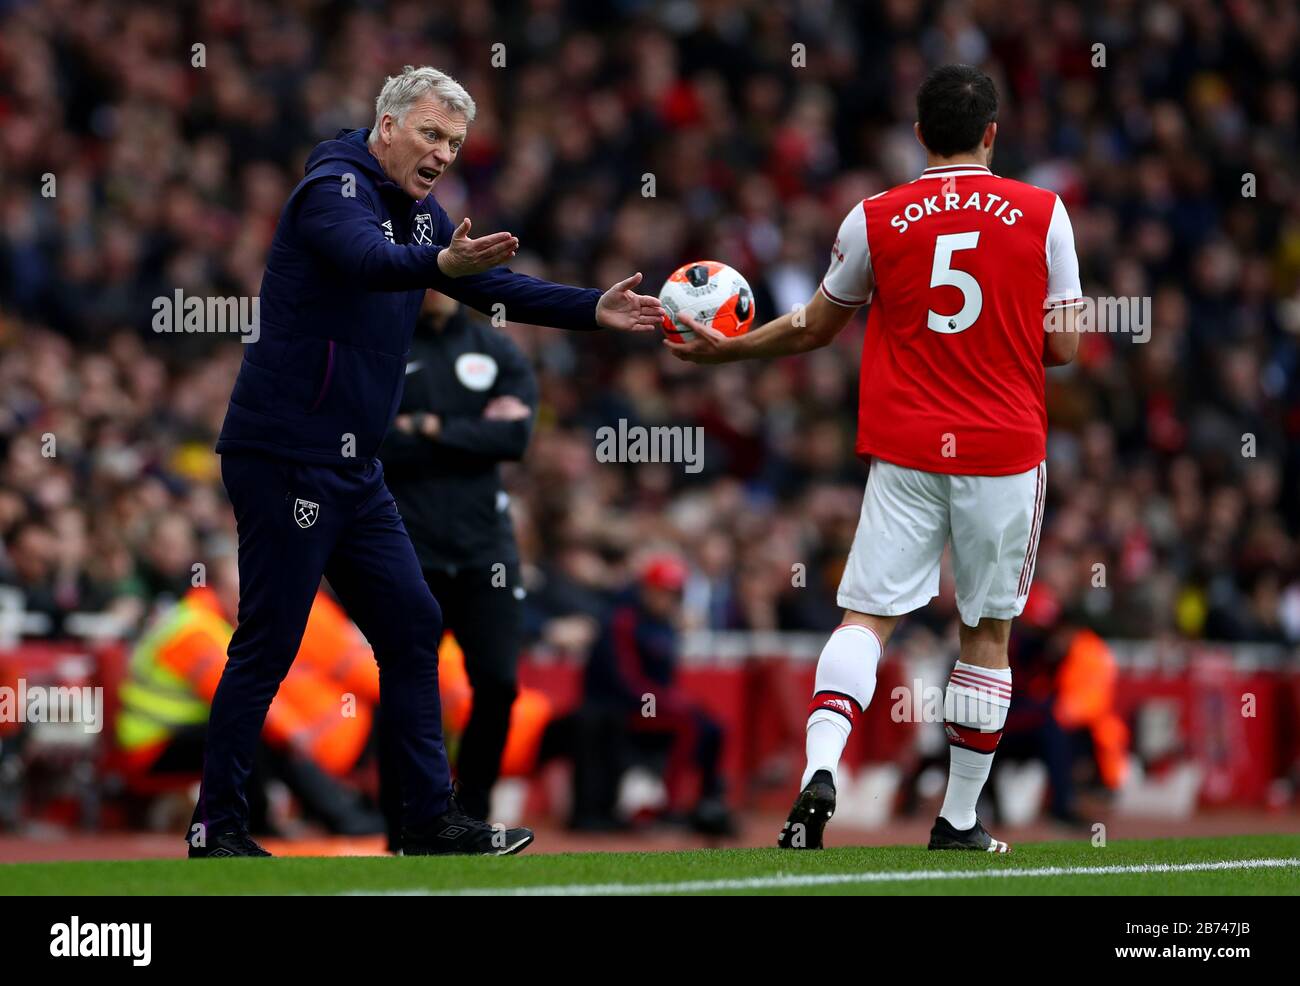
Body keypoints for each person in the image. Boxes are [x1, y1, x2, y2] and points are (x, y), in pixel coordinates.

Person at [190, 65, 664, 858]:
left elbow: (492, 285)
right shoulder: (332, 189)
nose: (444, 153)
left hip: (355, 466)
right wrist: (443, 267)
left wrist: (593, 309)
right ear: (387, 126)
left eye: (455, 142)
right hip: (285, 455)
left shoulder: (418, 216)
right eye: (432, 134)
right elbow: (367, 261)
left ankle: (426, 822)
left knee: (414, 628)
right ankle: (219, 827)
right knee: (270, 643)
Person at [669, 64, 1082, 852]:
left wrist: (723, 354)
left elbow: (814, 329)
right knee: (986, 635)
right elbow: (1062, 344)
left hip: (907, 446)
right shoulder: (1044, 213)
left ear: (920, 135)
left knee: (866, 619)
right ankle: (958, 820)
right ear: (992, 133)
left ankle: (817, 774)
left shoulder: (875, 216)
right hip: (1003, 448)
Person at [379, 289, 537, 824]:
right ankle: (401, 822)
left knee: (498, 683)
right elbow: (372, 438)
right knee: (405, 684)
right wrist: (471, 433)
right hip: (407, 548)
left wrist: (425, 426)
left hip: (484, 552)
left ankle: (470, 813)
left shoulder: (497, 350)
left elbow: (514, 436)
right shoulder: (385, 347)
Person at [573, 555, 734, 834]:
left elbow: (665, 680)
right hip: (623, 708)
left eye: (673, 594)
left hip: (654, 705)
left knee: (715, 727)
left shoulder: (665, 626)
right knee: (686, 723)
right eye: (662, 592)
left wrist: (673, 701)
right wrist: (666, 701)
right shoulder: (624, 621)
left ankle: (708, 800)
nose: (667, 600)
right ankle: (668, 806)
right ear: (647, 590)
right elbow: (626, 680)